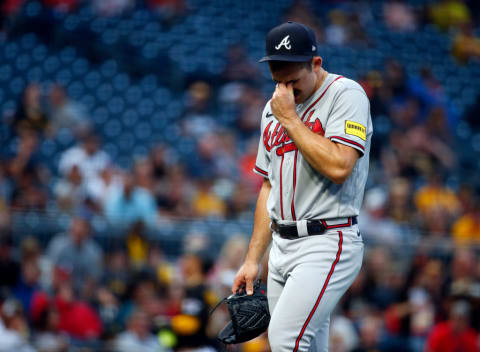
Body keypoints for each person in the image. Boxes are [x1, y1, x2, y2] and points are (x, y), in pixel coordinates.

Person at [232, 22, 372, 352]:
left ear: (316, 64)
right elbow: (269, 186)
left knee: (285, 340)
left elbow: (340, 166)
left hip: (328, 240)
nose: (285, 90)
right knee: (306, 346)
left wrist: (291, 119)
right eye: (278, 81)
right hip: (281, 245)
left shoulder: (346, 95)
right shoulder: (273, 110)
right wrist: (253, 259)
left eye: (293, 81)